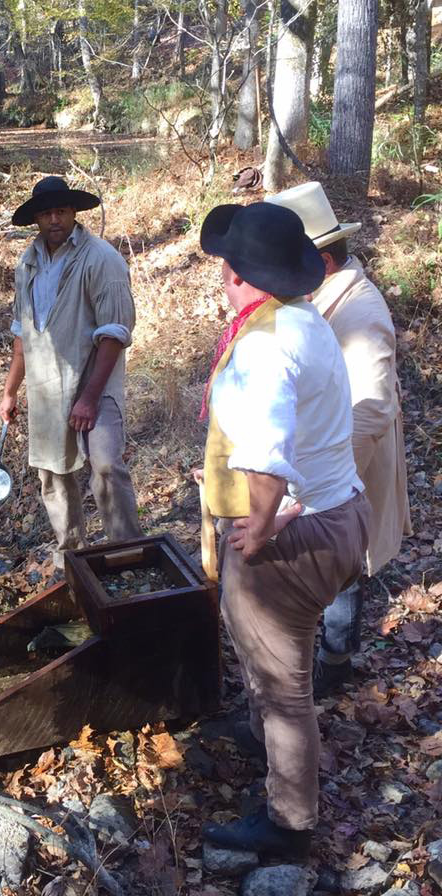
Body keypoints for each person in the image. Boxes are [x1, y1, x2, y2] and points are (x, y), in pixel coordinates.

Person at [196, 202, 370, 857]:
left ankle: (290, 822)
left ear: (237, 274)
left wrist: (262, 528)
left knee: (282, 685)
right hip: (343, 512)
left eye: (227, 265)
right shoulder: (305, 320)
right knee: (281, 678)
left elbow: (267, 456)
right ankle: (267, 744)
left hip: (296, 537)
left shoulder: (264, 346)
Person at [266, 182, 412, 695]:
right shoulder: (327, 298)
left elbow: (370, 411)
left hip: (346, 469)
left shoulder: (362, 314)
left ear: (321, 262)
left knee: (344, 570)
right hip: (323, 464)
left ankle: (335, 665)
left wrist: (321, 489)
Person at [0, 176, 142, 573]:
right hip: (46, 385)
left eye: (61, 210)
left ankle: (127, 555)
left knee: (107, 466)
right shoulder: (27, 264)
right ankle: (72, 554)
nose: (54, 219)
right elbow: (22, 333)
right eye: (46, 213)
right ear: (36, 220)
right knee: (52, 473)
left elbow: (115, 332)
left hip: (96, 380)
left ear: (74, 212)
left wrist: (90, 398)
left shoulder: (101, 259)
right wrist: (10, 391)